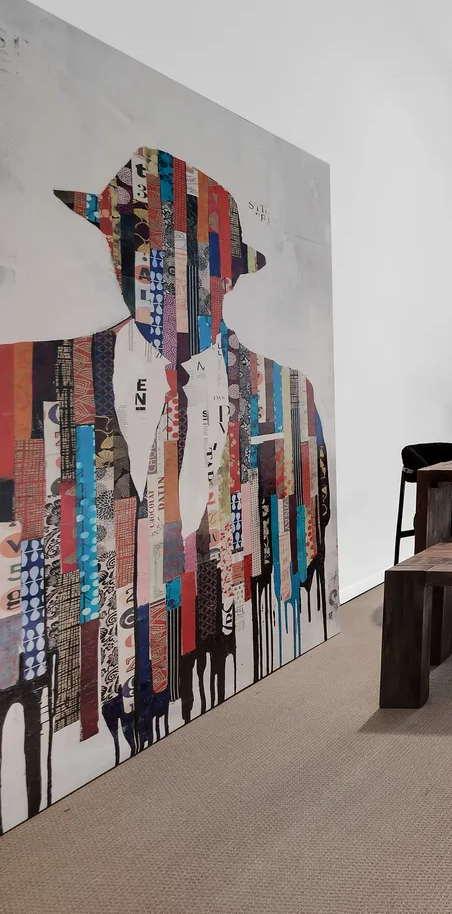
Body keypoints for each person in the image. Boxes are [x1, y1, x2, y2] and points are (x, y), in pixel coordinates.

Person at [0, 148, 330, 822]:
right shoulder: (29, 377)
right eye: (137, 250)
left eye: (193, 262)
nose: (160, 277)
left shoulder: (288, 393)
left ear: (228, 276)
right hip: (65, 687)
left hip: (224, 642)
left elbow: (309, 533)